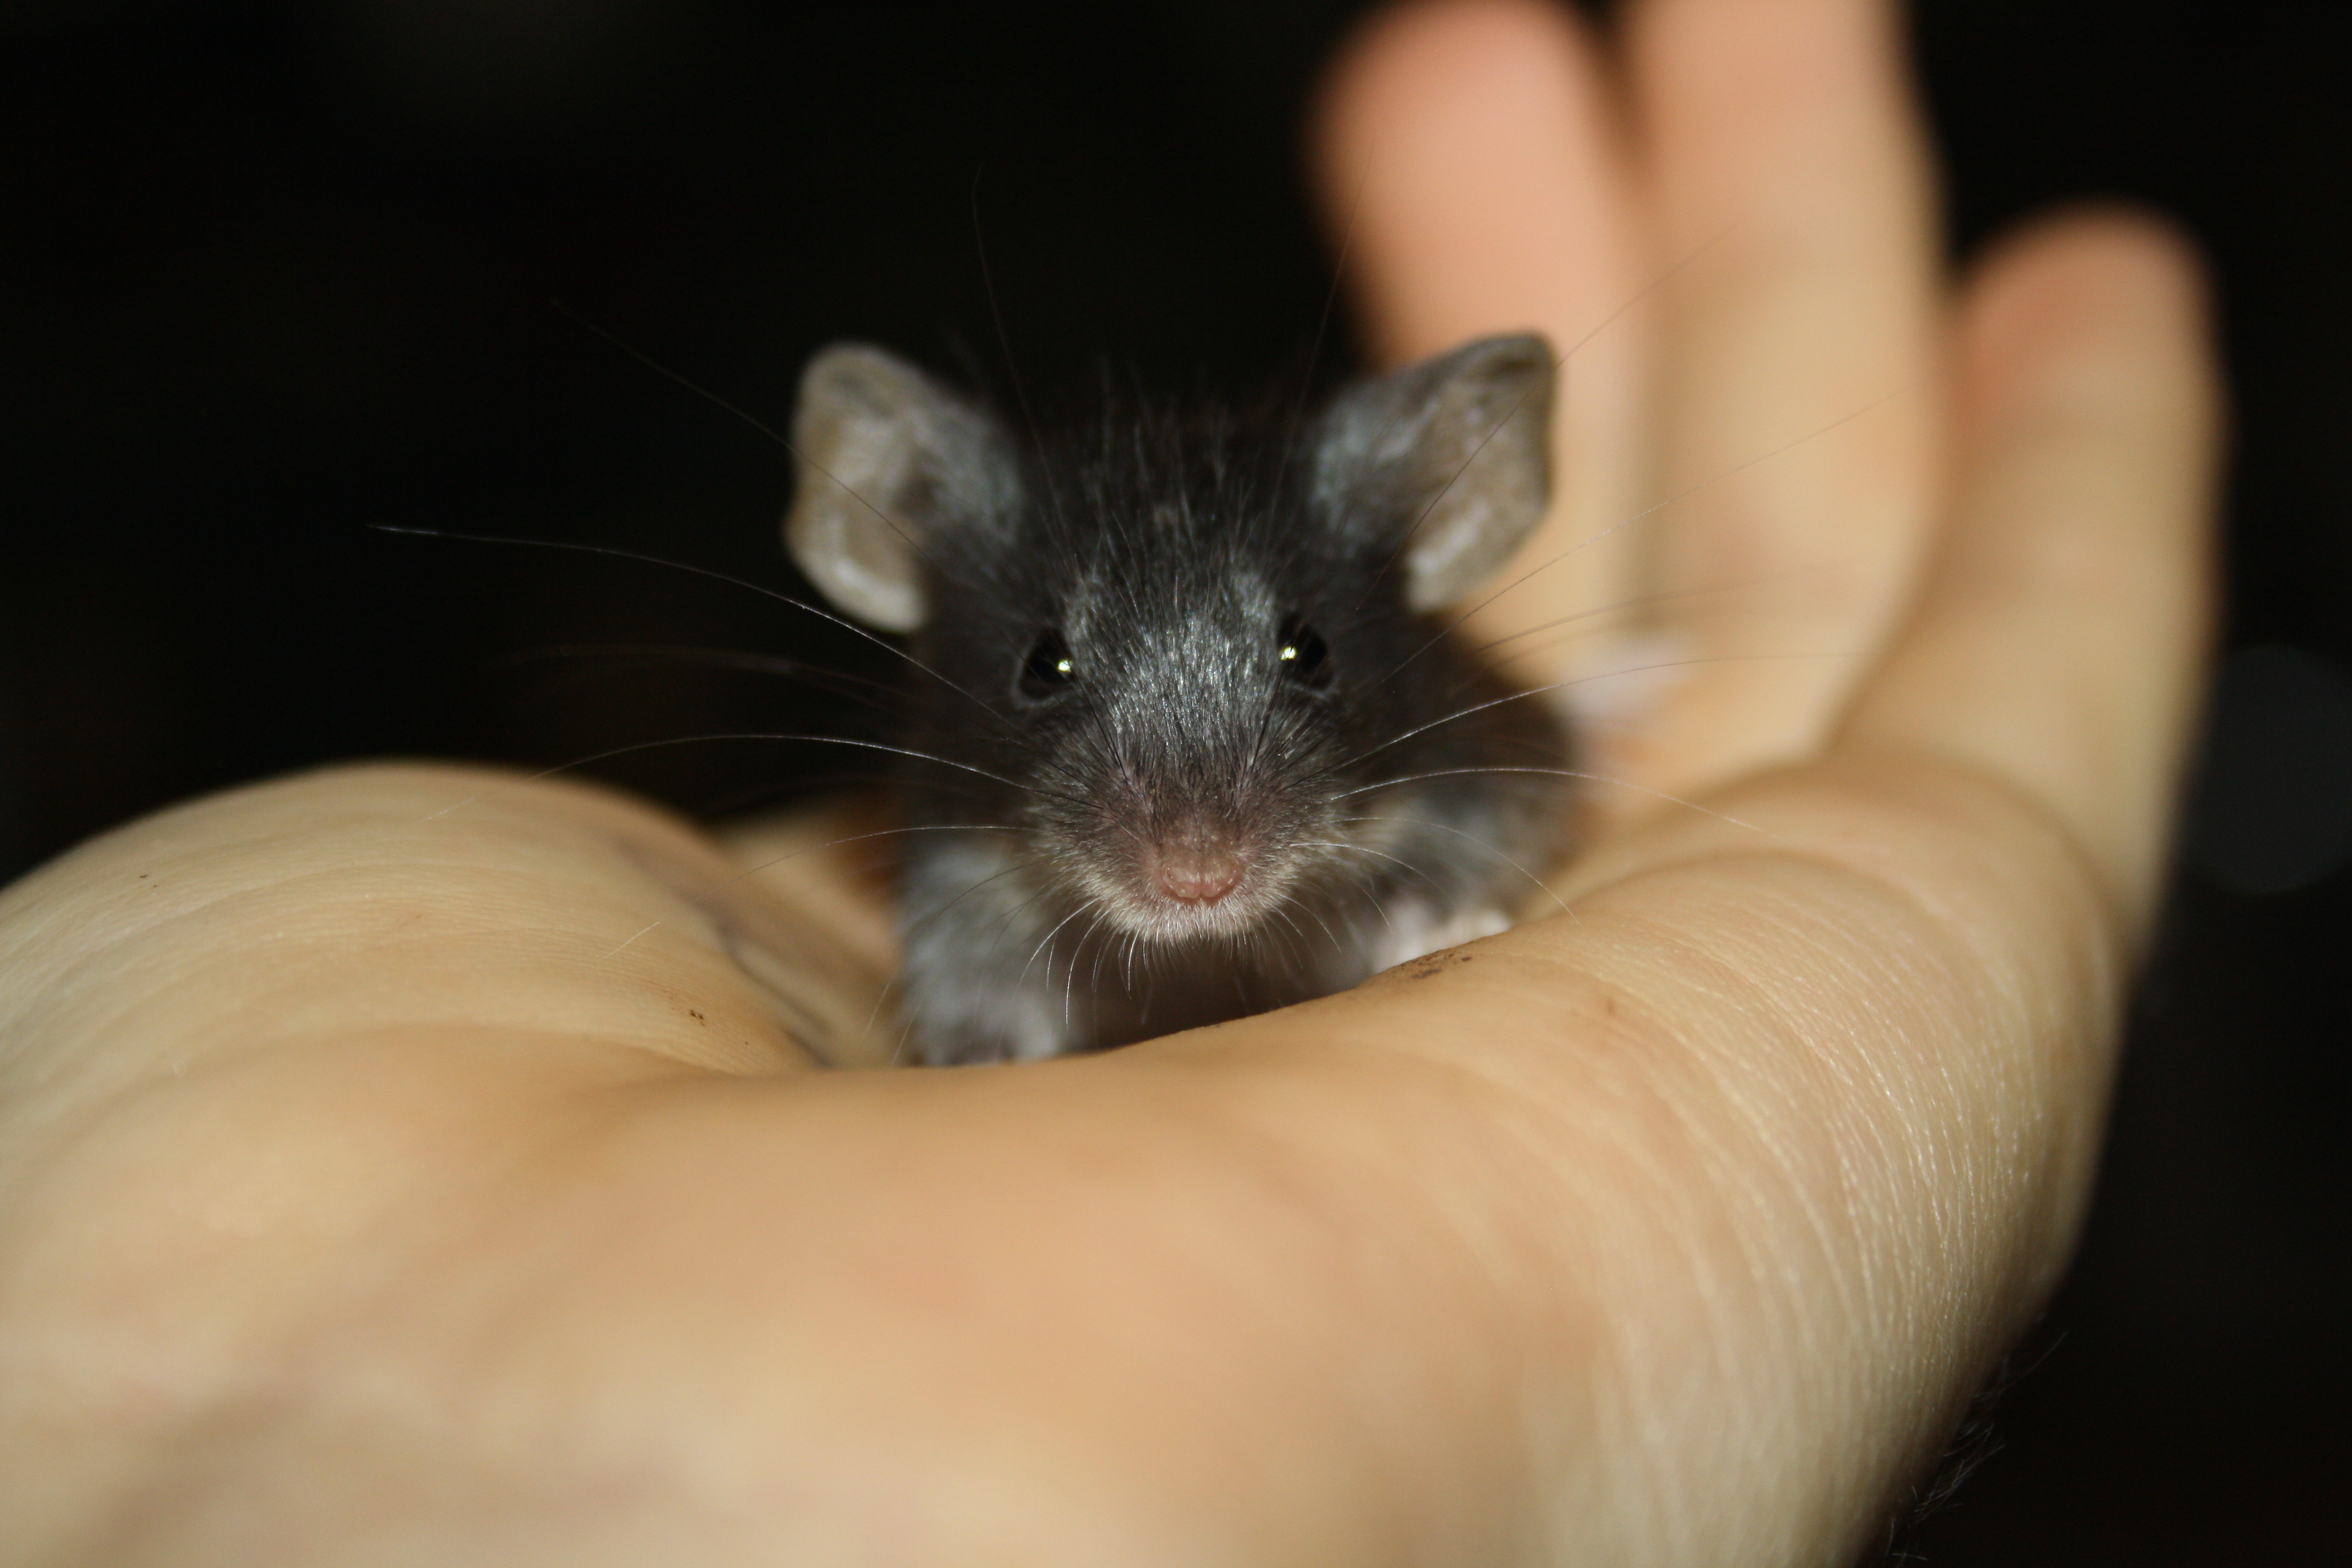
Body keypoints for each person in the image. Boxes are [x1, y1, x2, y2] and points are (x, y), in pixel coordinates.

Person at [0, 0, 2216, 1560]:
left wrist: (1435, 903)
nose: (1191, 824)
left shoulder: (1447, 745)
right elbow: (966, 956)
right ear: (890, 543)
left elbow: (1512, 789)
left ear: (1450, 512)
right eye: (1053, 676)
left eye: (1297, 667)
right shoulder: (955, 846)